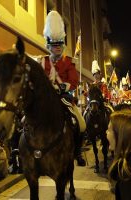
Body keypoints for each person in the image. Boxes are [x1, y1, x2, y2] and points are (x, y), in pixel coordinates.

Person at [39, 10, 86, 166]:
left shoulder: (69, 62)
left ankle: (77, 151)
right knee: (27, 120)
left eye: (59, 45)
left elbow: (73, 81)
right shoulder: (42, 61)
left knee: (81, 123)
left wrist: (62, 88)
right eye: (54, 45)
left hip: (64, 98)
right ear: (49, 46)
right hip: (46, 99)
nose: (57, 48)